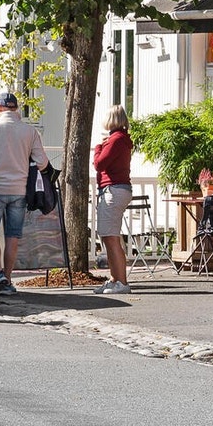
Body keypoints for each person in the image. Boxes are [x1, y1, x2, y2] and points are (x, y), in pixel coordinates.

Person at [0, 91, 48, 295]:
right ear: (16, 109)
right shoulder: (29, 131)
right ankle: (8, 277)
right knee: (13, 235)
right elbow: (43, 162)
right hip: (19, 190)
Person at [91, 105, 134, 295]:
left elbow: (100, 164)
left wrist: (99, 147)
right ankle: (114, 279)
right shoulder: (120, 139)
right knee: (108, 236)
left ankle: (121, 282)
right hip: (115, 189)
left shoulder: (116, 140)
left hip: (113, 190)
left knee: (111, 237)